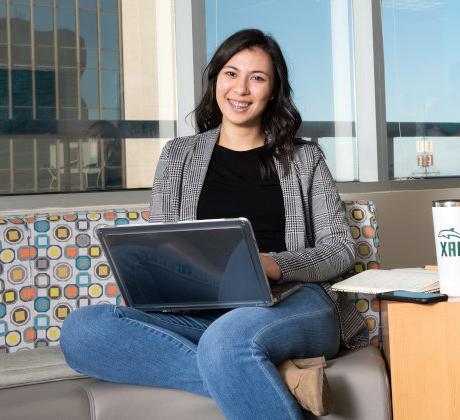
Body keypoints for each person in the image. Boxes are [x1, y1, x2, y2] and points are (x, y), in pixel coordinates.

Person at [60, 29, 367, 419]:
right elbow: (160, 242)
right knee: (83, 331)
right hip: (201, 313)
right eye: (231, 73)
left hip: (292, 301)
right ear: (216, 80)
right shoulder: (177, 155)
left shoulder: (305, 158)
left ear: (273, 91)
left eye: (257, 78)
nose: (241, 88)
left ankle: (239, 364)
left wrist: (273, 264)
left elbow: (340, 249)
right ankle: (270, 378)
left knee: (227, 340)